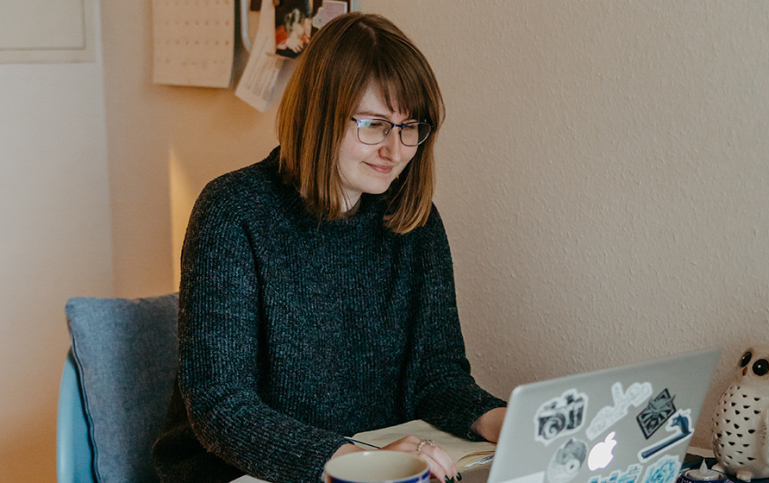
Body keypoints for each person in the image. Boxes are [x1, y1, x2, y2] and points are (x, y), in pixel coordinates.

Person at [152, 12, 507, 483]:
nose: (395, 150)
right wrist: (351, 459)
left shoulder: (414, 220)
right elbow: (221, 404)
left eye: (410, 127)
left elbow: (436, 376)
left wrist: (496, 418)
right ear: (317, 115)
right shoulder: (233, 211)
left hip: (375, 457)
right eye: (375, 124)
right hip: (239, 470)